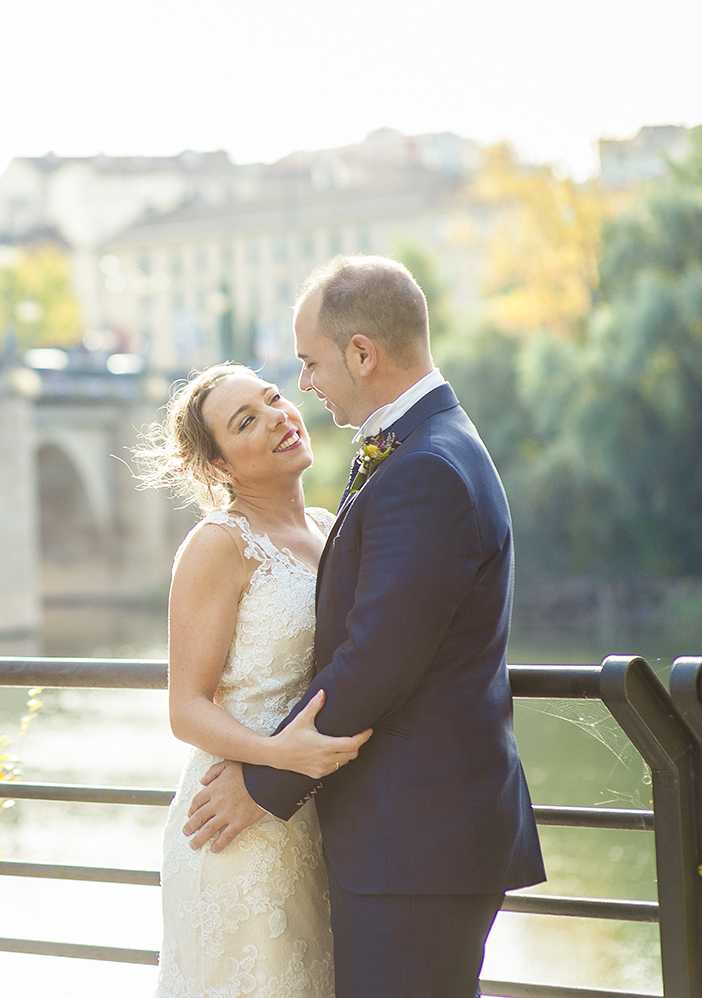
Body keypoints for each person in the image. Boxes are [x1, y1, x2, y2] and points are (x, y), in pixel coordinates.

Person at [182, 256, 546, 997]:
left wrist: (263, 783)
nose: (305, 388)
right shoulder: (424, 445)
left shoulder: (426, 468)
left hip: (413, 843)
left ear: (361, 354)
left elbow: (376, 662)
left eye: (307, 365)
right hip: (392, 837)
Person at [139, 361, 372, 997]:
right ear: (220, 468)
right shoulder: (219, 544)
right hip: (235, 827)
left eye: (273, 399)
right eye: (247, 421)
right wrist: (275, 758)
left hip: (315, 823)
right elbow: (185, 707)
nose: (277, 417)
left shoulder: (330, 528)